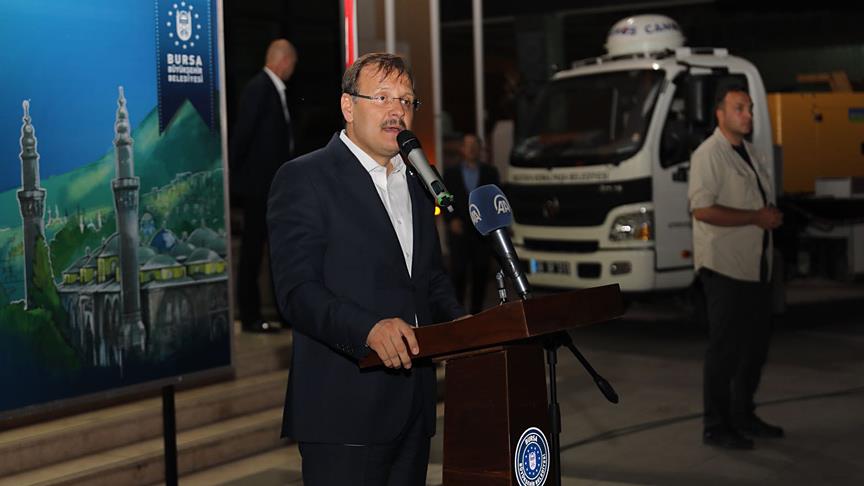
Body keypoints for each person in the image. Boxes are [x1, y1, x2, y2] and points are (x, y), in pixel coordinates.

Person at [267, 53, 466, 485]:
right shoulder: (305, 178)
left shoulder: (418, 179)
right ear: (348, 106)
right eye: (382, 97)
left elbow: (428, 277)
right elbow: (297, 291)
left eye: (406, 100)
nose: (397, 110)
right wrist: (367, 330)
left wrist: (461, 328)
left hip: (415, 408)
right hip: (344, 410)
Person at [688, 84, 785, 450]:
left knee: (754, 349)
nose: (748, 115)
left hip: (756, 267)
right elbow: (702, 209)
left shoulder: (751, 153)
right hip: (725, 268)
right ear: (720, 113)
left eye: (749, 108)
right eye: (739, 108)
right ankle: (716, 425)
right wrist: (756, 217)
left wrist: (768, 216)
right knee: (725, 350)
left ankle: (744, 414)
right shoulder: (708, 154)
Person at [229, 39, 297, 333]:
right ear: (284, 61)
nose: (292, 70)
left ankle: (283, 314)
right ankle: (250, 315)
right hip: (260, 189)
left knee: (277, 251)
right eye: (292, 64)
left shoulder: (273, 90)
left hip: (274, 189)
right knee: (252, 251)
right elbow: (242, 136)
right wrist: (236, 181)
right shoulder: (259, 88)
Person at [443, 134, 500, 314]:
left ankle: (477, 314)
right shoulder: (450, 173)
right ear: (462, 149)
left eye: (475, 145)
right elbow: (444, 199)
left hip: (482, 233)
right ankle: (457, 314)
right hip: (459, 231)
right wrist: (451, 219)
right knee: (458, 274)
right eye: (468, 145)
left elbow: (495, 200)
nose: (472, 149)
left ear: (480, 149)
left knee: (480, 273)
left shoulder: (490, 172)